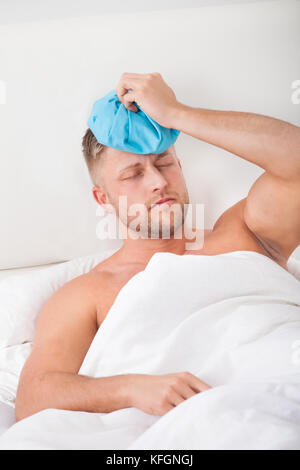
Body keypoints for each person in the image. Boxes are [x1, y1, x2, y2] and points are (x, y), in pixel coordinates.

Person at [15, 72, 300, 422]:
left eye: (164, 162)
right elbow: (34, 396)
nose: (158, 181)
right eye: (133, 174)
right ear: (102, 198)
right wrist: (133, 388)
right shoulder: (87, 294)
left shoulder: (245, 233)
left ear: (179, 166)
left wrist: (176, 113)